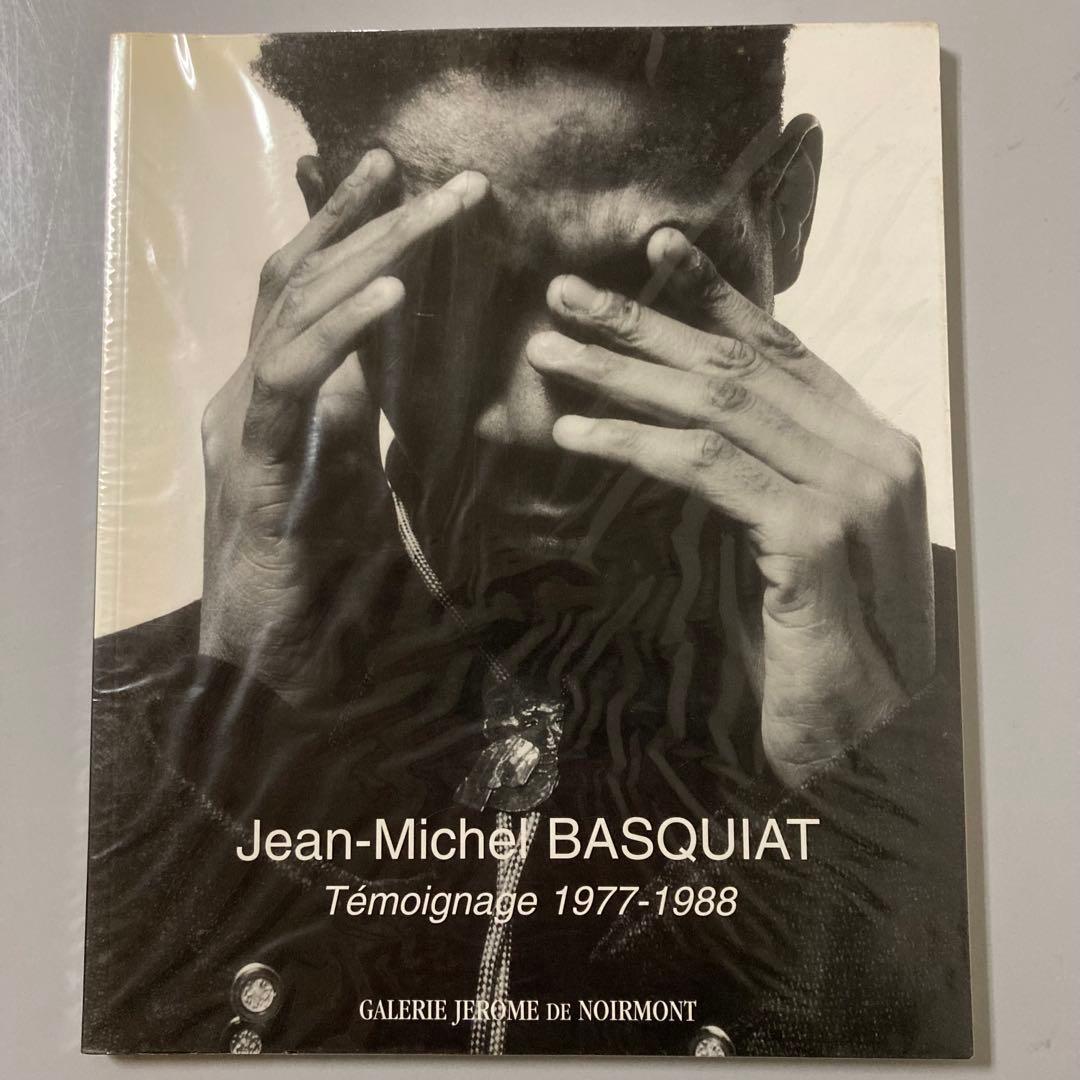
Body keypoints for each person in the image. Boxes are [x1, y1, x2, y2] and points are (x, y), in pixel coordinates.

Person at [83, 27, 971, 1057]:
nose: (538, 418)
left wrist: (868, 786)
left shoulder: (999, 707)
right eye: (451, 293)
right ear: (327, 232)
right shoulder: (110, 735)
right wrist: (245, 733)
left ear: (788, 209)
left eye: (639, 291)